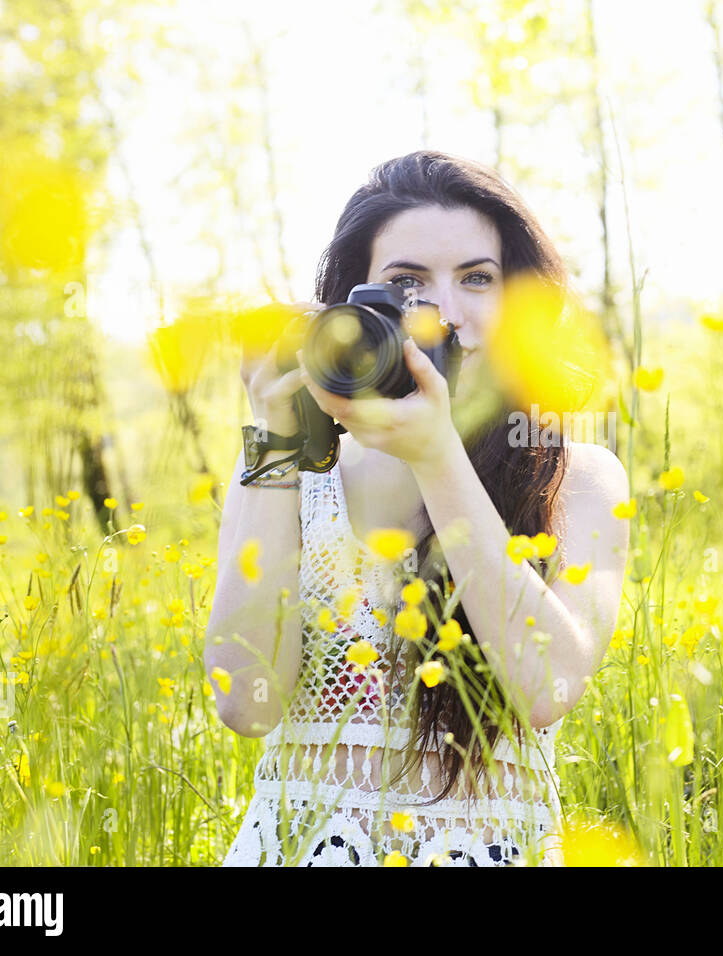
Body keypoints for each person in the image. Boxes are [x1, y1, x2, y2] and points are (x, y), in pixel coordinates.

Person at [206, 150, 630, 866]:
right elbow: (247, 705)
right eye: (407, 283)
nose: (447, 313)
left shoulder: (577, 477)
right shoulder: (294, 474)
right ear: (352, 310)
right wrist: (275, 441)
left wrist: (437, 457)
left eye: (478, 279)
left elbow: (548, 686)